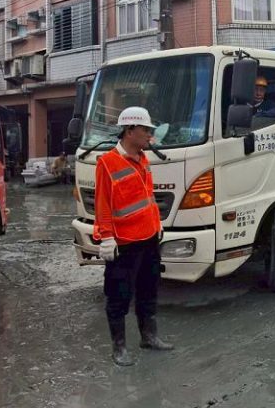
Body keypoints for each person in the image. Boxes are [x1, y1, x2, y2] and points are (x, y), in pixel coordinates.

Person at [94, 106, 173, 366]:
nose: (150, 135)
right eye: (146, 130)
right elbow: (103, 204)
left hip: (149, 237)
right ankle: (119, 348)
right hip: (124, 243)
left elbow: (147, 197)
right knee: (119, 296)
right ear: (129, 131)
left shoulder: (143, 159)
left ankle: (148, 337)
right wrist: (106, 237)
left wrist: (157, 223)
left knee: (148, 290)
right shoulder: (107, 163)